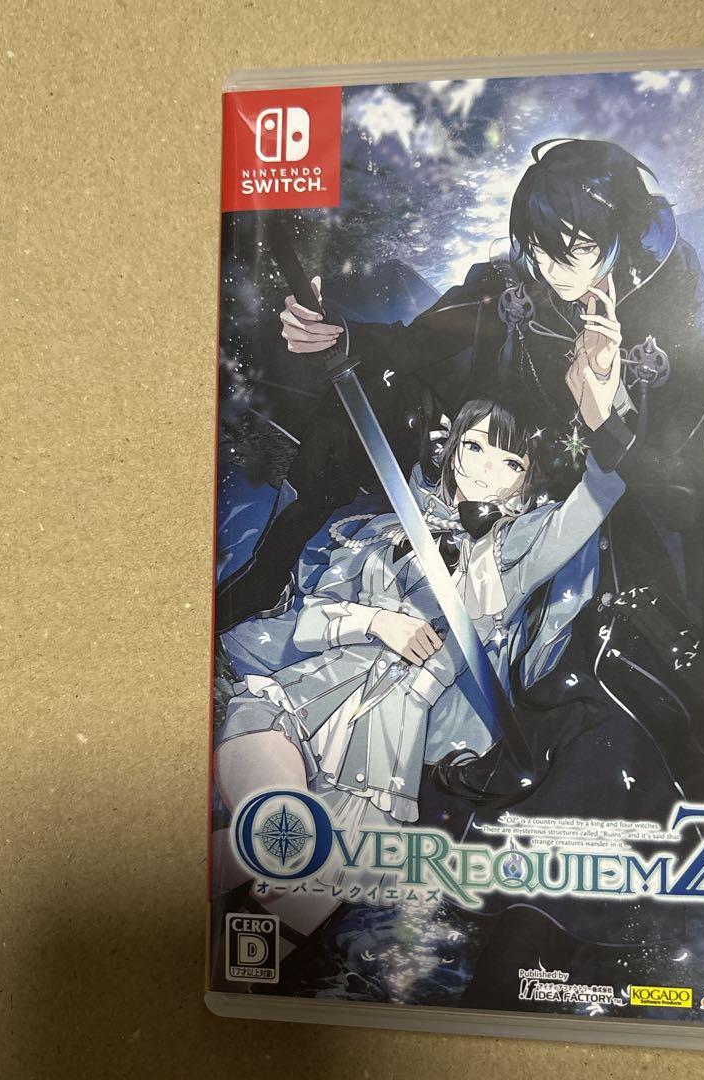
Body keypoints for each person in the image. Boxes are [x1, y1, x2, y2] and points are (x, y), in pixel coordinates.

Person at [217, 137, 704, 792]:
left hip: (611, 504)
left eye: (572, 250)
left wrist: (606, 423)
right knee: (377, 404)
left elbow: (686, 497)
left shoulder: (693, 328)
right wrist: (343, 333)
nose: (551, 270)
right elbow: (423, 340)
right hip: (499, 459)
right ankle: (269, 581)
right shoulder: (518, 283)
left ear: (617, 234)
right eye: (538, 248)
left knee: (632, 671)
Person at [214, 358, 629, 939]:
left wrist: (607, 415)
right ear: (453, 448)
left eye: (510, 462)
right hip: (301, 707)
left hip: (382, 763)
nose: (487, 470)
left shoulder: (514, 558)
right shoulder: (386, 530)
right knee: (276, 839)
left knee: (284, 915)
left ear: (526, 478)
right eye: (477, 447)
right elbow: (309, 623)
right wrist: (376, 621)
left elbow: (598, 493)